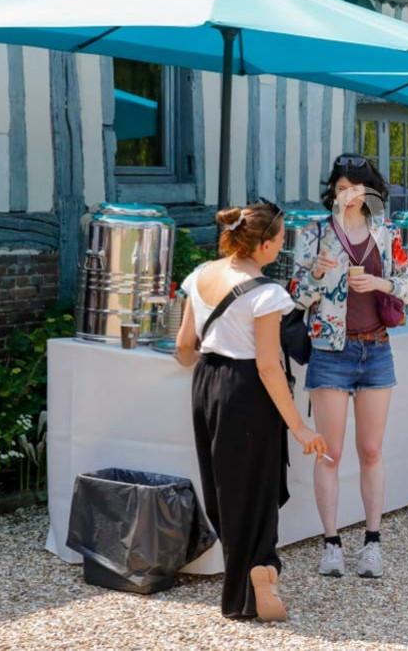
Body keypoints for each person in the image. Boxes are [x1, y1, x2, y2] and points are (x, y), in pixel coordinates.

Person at [176, 202, 327, 621]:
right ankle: (260, 571)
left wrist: (211, 357)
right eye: (280, 240)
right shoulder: (267, 293)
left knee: (223, 487)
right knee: (256, 488)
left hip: (206, 384)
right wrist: (299, 426)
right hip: (247, 390)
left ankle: (244, 582)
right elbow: (268, 365)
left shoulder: (200, 275)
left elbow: (184, 348)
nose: (281, 247)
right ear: (264, 245)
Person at [293, 154, 408, 578]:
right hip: (330, 349)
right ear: (333, 189)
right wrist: (315, 274)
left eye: (357, 187)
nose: (348, 195)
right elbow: (296, 296)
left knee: (371, 450)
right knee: (330, 453)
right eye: (342, 187)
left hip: (376, 348)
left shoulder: (386, 232)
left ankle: (372, 542)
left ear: (370, 191)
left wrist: (381, 282)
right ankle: (331, 543)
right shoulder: (315, 233)